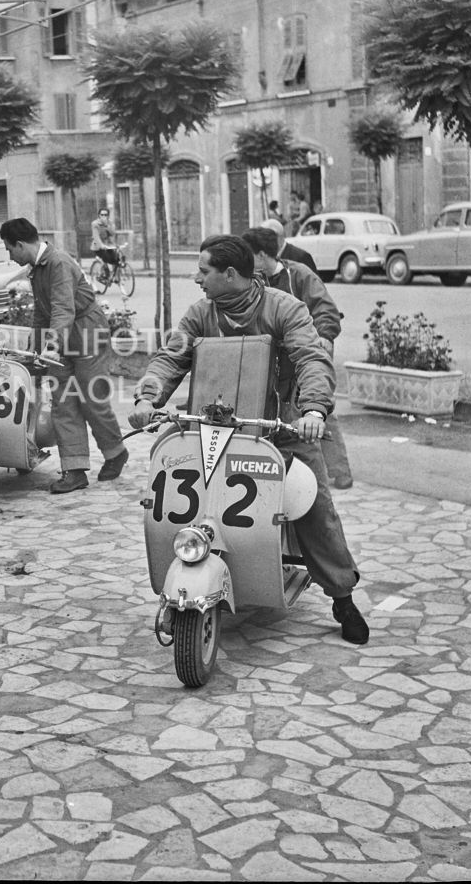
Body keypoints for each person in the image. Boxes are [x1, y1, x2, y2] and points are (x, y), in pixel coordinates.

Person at [128, 234, 369, 645]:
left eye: (203, 271)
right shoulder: (200, 314)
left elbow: (311, 357)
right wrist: (147, 396)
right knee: (172, 485)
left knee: (313, 507)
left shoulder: (284, 308)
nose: (197, 278)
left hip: (282, 428)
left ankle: (342, 595)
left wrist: (313, 410)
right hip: (210, 428)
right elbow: (170, 358)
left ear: (230, 274)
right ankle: (182, 588)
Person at [0, 218, 128, 494]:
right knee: (62, 403)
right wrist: (35, 351)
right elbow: (42, 314)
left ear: (20, 244)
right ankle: (75, 469)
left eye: (10, 250)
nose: (11, 257)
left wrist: (52, 344)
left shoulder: (58, 263)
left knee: (91, 398)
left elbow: (63, 309)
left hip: (86, 332)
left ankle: (115, 452)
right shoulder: (37, 268)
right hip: (62, 336)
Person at [243, 226, 354, 490]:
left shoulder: (299, 275)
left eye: (247, 256)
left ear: (260, 256)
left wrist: (323, 337)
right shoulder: (253, 281)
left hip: (305, 355)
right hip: (272, 362)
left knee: (319, 408)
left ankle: (338, 471)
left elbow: (326, 311)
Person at [90, 208, 119, 281]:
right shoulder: (95, 224)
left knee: (115, 258)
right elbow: (96, 236)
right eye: (102, 214)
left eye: (105, 215)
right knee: (105, 258)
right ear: (99, 215)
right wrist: (101, 245)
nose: (103, 216)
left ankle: (115, 276)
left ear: (108, 216)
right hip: (98, 246)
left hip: (108, 245)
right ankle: (103, 274)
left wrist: (107, 226)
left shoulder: (110, 223)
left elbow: (112, 233)